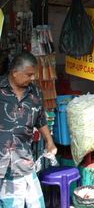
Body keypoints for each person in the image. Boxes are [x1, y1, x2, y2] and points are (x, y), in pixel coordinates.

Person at [0, 52, 57, 208]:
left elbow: (40, 119)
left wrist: (49, 141)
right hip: (1, 162)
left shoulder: (35, 92)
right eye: (29, 75)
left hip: (24, 160)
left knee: (35, 203)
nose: (33, 78)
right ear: (15, 72)